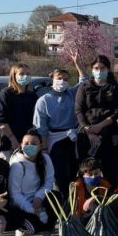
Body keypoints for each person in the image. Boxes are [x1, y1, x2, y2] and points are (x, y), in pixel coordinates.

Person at [33, 54, 88, 194]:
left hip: (73, 138)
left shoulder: (71, 94)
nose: (62, 81)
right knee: (61, 174)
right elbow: (42, 127)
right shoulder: (44, 100)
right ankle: (62, 200)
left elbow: (84, 82)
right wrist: (44, 149)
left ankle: (74, 202)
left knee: (74, 171)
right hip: (55, 140)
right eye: (59, 78)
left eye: (65, 79)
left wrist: (79, 66)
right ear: (52, 79)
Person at [76, 55, 118, 187]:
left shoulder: (115, 88)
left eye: (102, 68)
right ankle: (86, 203)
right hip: (87, 135)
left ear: (108, 69)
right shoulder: (84, 87)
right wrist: (89, 131)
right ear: (92, 70)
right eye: (96, 68)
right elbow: (78, 110)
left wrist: (100, 126)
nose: (99, 71)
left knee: (110, 173)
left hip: (110, 134)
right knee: (87, 173)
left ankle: (108, 203)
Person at [8, 129, 56, 236]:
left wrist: (39, 197)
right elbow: (14, 194)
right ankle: (21, 229)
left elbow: (49, 182)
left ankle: (46, 230)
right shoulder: (17, 164)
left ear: (40, 146)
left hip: (38, 200)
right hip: (22, 204)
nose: (30, 146)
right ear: (21, 145)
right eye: (26, 143)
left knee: (56, 197)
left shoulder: (46, 159)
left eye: (34, 143)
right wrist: (31, 209)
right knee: (33, 228)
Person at [0, 62, 38, 157]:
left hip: (27, 145)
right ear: (14, 76)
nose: (25, 76)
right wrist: (13, 141)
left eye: (28, 74)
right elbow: (2, 122)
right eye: (21, 74)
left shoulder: (32, 96)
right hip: (8, 145)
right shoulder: (5, 95)